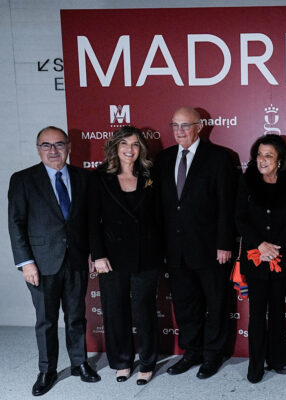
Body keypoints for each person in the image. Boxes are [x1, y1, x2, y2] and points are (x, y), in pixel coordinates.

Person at [8, 126, 101, 396]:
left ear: (68, 147)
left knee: (76, 317)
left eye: (59, 144)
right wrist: (26, 262)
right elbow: (16, 224)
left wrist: (94, 252)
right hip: (41, 263)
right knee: (46, 320)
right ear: (38, 149)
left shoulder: (85, 178)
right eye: (46, 145)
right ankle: (47, 370)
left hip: (76, 261)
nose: (53, 150)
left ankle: (79, 363)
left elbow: (92, 220)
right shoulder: (23, 180)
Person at [154, 107, 236, 379]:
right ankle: (192, 352)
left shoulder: (220, 158)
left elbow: (227, 205)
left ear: (199, 127)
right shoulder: (163, 159)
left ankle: (212, 355)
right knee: (186, 304)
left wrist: (225, 243)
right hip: (175, 251)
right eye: (175, 125)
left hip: (212, 249)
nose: (179, 131)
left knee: (215, 303)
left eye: (185, 125)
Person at [87, 126, 162, 385]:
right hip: (111, 256)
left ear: (141, 148)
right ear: (115, 148)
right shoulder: (99, 177)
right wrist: (97, 255)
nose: (130, 150)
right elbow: (92, 221)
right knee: (115, 310)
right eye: (124, 144)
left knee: (145, 311)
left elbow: (160, 216)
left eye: (135, 144)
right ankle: (121, 361)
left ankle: (148, 362)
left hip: (147, 254)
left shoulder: (150, 174)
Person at [235, 134, 286, 383]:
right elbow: (240, 218)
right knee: (256, 314)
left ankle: (278, 359)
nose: (262, 160)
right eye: (259, 155)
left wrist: (275, 248)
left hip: (281, 258)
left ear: (280, 159)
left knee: (276, 310)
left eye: (268, 155)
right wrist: (260, 245)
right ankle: (256, 364)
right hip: (254, 257)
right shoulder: (247, 180)